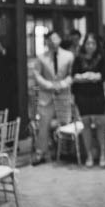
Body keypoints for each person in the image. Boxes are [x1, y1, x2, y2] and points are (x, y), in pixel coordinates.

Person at [32, 30, 74, 165]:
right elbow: (37, 75)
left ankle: (65, 151)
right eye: (51, 39)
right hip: (46, 95)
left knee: (65, 123)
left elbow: (71, 74)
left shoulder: (69, 56)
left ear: (60, 40)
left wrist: (62, 84)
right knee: (43, 125)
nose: (54, 41)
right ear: (47, 41)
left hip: (63, 94)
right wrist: (50, 85)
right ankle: (41, 153)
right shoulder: (41, 57)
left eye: (56, 38)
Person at [72, 33, 105, 167]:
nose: (90, 46)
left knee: (101, 125)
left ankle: (102, 155)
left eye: (93, 43)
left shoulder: (103, 57)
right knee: (86, 126)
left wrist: (96, 76)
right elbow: (73, 76)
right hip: (82, 95)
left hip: (97, 95)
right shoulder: (78, 58)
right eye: (88, 43)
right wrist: (85, 77)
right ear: (84, 44)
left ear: (97, 45)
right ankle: (89, 156)